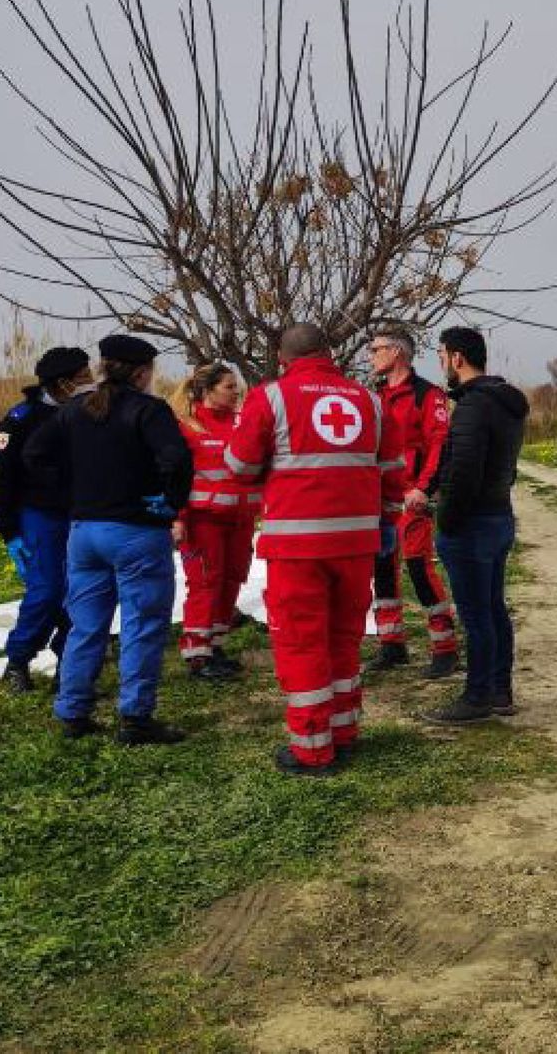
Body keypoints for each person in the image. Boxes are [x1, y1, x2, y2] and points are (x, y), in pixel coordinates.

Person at [225, 322, 406, 777]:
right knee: (345, 637)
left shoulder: (270, 397)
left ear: (283, 360)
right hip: (358, 543)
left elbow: (240, 466)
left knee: (302, 644)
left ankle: (312, 749)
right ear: (330, 352)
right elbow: (393, 470)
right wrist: (383, 519)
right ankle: (344, 732)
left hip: (296, 547)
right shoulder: (368, 399)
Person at [24, 334, 192, 744]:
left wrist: (72, 493)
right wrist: (170, 503)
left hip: (84, 534)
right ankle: (135, 717)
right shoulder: (148, 410)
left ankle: (73, 711)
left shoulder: (74, 410)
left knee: (85, 625)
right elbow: (176, 458)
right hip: (136, 531)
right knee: (142, 624)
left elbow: (33, 454)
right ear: (141, 373)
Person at [419, 327, 529, 725]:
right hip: (499, 516)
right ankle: (499, 691)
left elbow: (463, 471)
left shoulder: (473, 407)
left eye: (441, 356)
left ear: (457, 358)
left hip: (472, 525)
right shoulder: (506, 402)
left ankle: (477, 696)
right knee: (493, 609)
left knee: (477, 616)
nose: (442, 364)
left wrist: (446, 520)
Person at [0, 346, 94, 693]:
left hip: (82, 515)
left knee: (81, 593)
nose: (90, 382)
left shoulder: (88, 413)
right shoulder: (21, 420)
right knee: (47, 591)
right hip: (39, 516)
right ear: (63, 384)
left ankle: (69, 665)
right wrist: (8, 530)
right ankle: (19, 659)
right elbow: (1, 478)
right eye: (83, 377)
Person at [364, 327, 460, 678]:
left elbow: (439, 444)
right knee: (382, 571)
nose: (370, 356)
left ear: (396, 352)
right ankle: (392, 646)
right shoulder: (374, 396)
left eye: (376, 349)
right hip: (381, 503)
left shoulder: (427, 395)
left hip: (412, 501)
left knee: (419, 569)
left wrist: (423, 489)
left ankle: (445, 648)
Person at [170, 363, 261, 681]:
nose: (236, 392)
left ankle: (216, 644)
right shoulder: (186, 426)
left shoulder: (242, 423)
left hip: (241, 520)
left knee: (231, 580)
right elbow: (175, 477)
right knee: (206, 583)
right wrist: (177, 519)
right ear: (207, 391)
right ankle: (197, 652)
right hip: (203, 521)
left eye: (236, 386)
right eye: (228, 386)